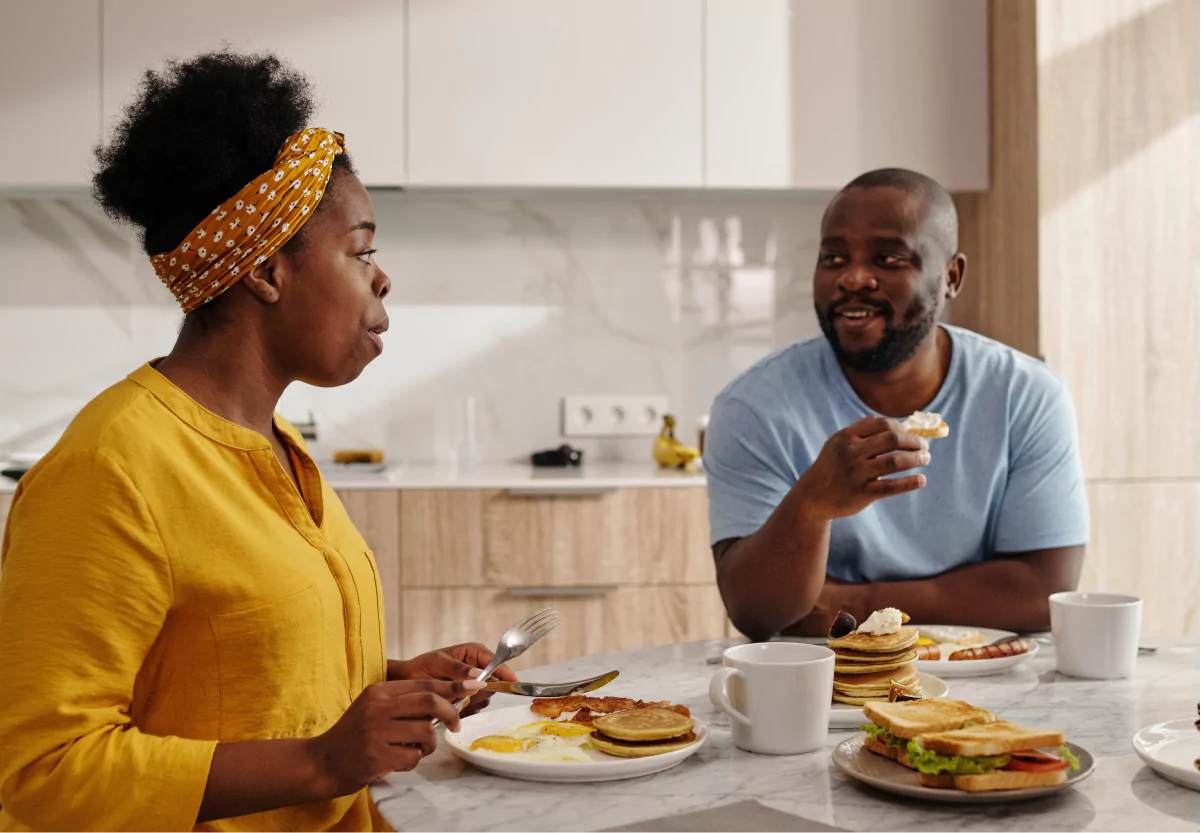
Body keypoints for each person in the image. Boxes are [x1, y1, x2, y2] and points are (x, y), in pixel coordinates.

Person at [0, 51, 516, 832]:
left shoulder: (274, 448)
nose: (383, 280)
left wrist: (394, 683)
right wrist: (322, 760)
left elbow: (229, 666)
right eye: (362, 248)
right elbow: (43, 769)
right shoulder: (112, 469)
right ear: (267, 272)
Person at [704, 168, 1089, 642]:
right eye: (834, 257)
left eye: (887, 258)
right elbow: (757, 613)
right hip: (820, 682)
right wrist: (812, 506)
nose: (853, 277)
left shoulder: (1025, 395)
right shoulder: (754, 407)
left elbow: (1041, 592)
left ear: (951, 276)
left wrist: (853, 604)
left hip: (991, 677)